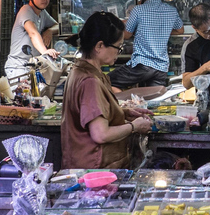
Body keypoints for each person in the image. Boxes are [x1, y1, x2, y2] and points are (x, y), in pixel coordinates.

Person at [62, 12, 153, 170]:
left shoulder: (80, 71)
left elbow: (90, 115)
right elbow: (100, 134)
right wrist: (134, 127)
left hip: (85, 165)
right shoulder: (90, 81)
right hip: (95, 168)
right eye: (118, 47)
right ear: (99, 46)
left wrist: (122, 112)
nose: (119, 52)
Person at [109, 0, 184, 91]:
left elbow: (127, 35)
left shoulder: (138, 10)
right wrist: (162, 30)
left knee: (105, 80)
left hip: (142, 64)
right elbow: (180, 31)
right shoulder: (171, 10)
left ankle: (122, 105)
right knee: (154, 100)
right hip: (161, 67)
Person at [4, 0, 60, 80]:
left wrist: (50, 31)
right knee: (21, 95)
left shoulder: (43, 13)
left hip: (32, 67)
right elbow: (33, 33)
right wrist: (45, 52)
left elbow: (58, 26)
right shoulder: (26, 10)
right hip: (18, 67)